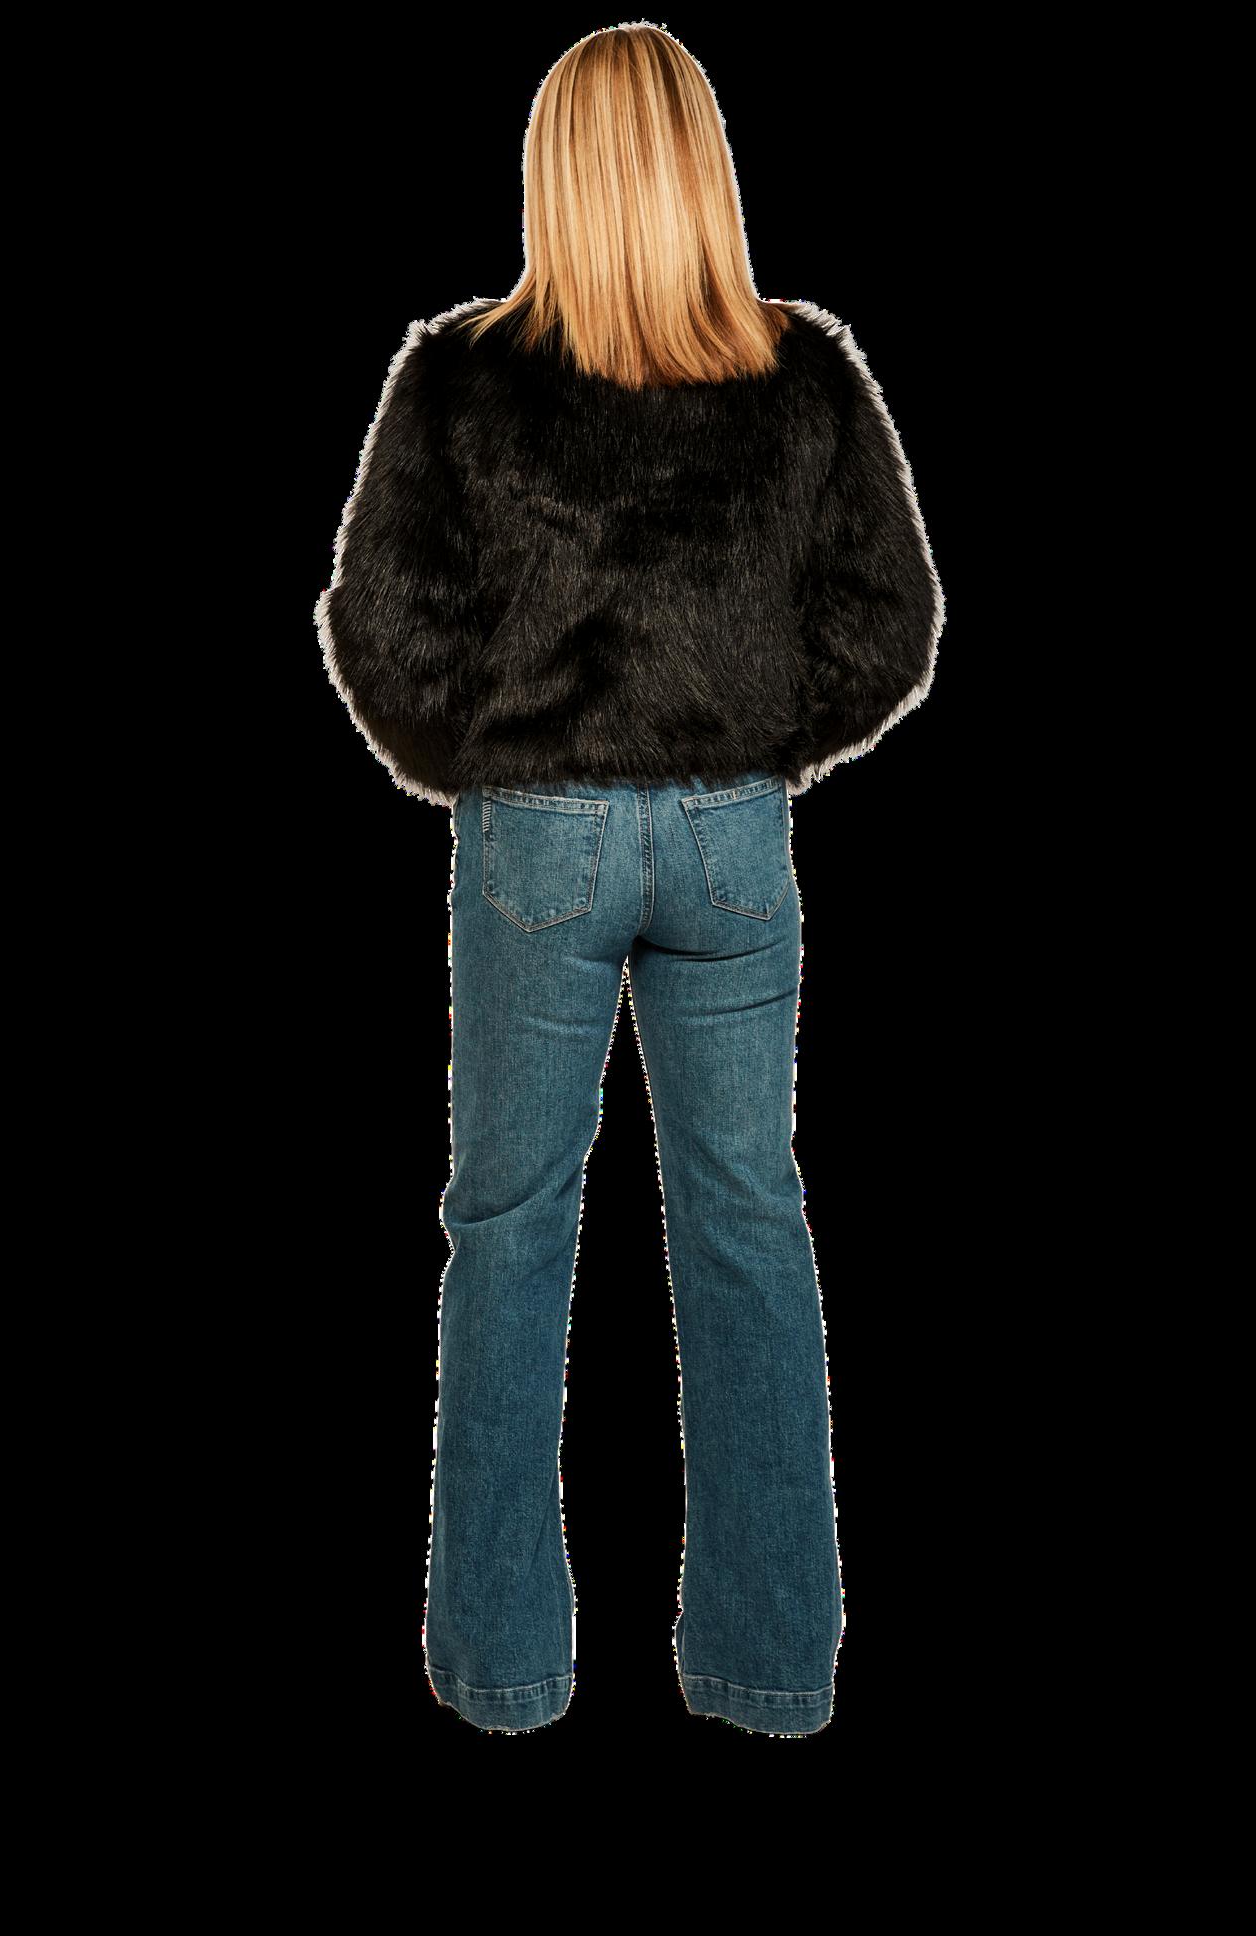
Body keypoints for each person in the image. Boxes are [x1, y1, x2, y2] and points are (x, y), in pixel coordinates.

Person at [314, 23, 945, 1736]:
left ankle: (505, 1673)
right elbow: (892, 625)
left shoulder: (457, 380)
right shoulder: (804, 375)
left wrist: (490, 755)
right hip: (733, 839)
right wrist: (753, 745)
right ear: (702, 175)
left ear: (557, 177)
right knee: (749, 1227)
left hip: (536, 834)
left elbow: (376, 631)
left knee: (510, 1233)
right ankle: (768, 1666)